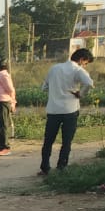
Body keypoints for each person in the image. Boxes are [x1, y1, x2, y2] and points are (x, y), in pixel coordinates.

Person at [39, 47, 95, 175]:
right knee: (66, 141)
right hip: (70, 109)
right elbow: (89, 84)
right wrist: (80, 94)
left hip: (53, 109)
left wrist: (55, 92)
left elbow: (44, 87)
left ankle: (45, 167)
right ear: (82, 60)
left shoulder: (54, 68)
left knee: (48, 140)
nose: (85, 66)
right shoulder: (77, 70)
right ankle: (61, 167)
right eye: (86, 63)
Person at [0, 60, 17, 157]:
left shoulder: (4, 75)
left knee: (2, 125)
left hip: (3, 102)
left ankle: (5, 147)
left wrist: (13, 103)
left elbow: (11, 90)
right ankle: (0, 147)